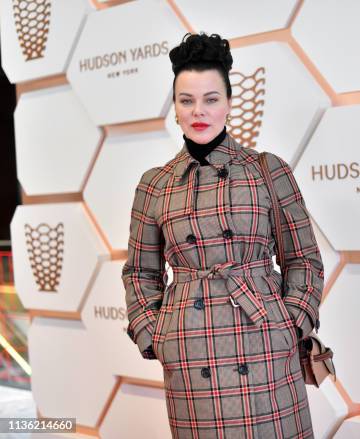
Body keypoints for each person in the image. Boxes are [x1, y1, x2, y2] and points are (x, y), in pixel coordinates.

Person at [121, 31, 324, 438]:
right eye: (187, 100)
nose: (200, 111)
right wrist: (156, 334)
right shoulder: (155, 185)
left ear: (229, 103)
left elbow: (304, 260)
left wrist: (290, 324)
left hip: (265, 346)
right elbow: (140, 273)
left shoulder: (267, 170)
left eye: (211, 99)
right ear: (175, 107)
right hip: (190, 353)